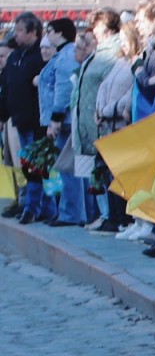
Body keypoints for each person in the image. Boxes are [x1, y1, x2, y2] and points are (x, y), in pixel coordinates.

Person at [70, 10, 122, 231]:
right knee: (96, 170)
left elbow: (110, 84)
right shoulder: (98, 52)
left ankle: (113, 216)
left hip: (104, 119)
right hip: (90, 120)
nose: (94, 30)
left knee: (105, 169)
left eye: (97, 26)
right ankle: (105, 214)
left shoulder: (112, 51)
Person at [37, 19, 82, 225]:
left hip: (63, 121)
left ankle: (70, 213)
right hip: (62, 119)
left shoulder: (65, 56)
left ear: (59, 33)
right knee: (66, 168)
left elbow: (63, 89)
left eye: (50, 31)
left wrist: (55, 119)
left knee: (67, 168)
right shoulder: (62, 55)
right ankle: (67, 210)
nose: (47, 36)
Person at [0, 13, 41, 223]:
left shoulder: (38, 56)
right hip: (17, 119)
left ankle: (35, 207)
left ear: (33, 32)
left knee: (36, 167)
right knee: (25, 166)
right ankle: (28, 204)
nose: (16, 35)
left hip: (35, 121)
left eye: (20, 31)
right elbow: (7, 88)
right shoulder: (16, 57)